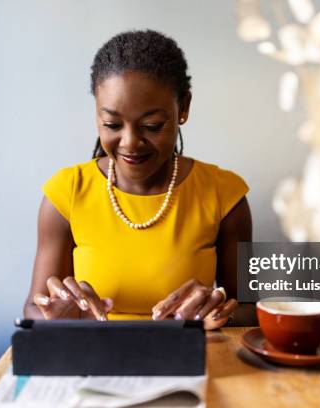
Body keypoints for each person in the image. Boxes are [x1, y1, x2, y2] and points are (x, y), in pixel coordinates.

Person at [23, 30, 252, 330]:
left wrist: (219, 312)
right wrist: (61, 315)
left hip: (188, 360)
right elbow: (32, 307)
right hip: (94, 361)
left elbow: (249, 308)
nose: (130, 142)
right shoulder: (66, 193)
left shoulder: (225, 196)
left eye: (152, 125)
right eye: (112, 124)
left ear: (183, 108)